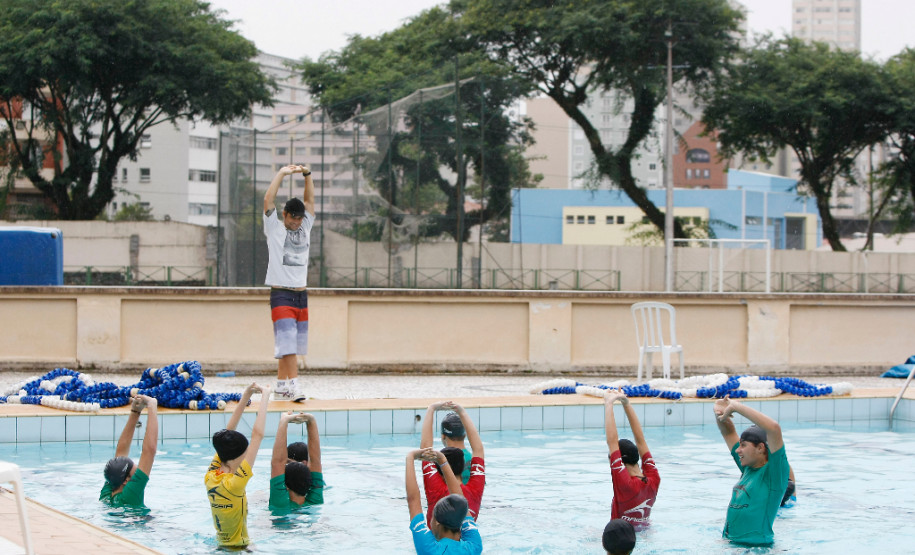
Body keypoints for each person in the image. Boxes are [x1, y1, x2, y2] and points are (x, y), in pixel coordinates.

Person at [263, 163, 316, 402]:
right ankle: (294, 386)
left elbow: (311, 201)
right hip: (281, 294)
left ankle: (282, 386)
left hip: (300, 295)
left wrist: (307, 175)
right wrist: (283, 173)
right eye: (293, 218)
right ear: (284, 215)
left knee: (292, 344)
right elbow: (268, 200)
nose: (296, 222)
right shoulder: (274, 227)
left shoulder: (306, 226)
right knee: (288, 344)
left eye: (299, 219)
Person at [714, 395, 789, 546]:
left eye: (743, 445)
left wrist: (737, 407)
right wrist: (719, 412)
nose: (738, 450)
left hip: (757, 549)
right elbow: (728, 432)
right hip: (733, 546)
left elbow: (774, 429)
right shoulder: (748, 468)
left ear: (760, 448)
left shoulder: (773, 475)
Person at [205, 383, 271, 548]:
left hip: (220, 545)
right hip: (239, 548)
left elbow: (228, 432)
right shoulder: (235, 483)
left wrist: (246, 396)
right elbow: (258, 435)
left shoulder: (211, 476)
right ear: (240, 456)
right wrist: (265, 396)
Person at [420, 402, 485, 527]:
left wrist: (431, 409)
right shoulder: (474, 491)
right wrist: (462, 412)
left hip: (434, 545)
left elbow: (425, 449)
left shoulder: (435, 490)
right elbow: (478, 450)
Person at [406, 447, 482, 554]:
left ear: (437, 522)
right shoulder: (474, 546)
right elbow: (460, 501)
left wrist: (410, 457)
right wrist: (442, 460)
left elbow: (413, 500)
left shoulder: (429, 549)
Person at [603, 390, 660, 529]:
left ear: (620, 461)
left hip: (619, 536)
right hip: (645, 532)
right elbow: (640, 440)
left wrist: (608, 403)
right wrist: (626, 403)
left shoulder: (625, 484)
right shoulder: (654, 479)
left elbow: (612, 441)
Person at [100, 394, 158, 507]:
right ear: (126, 481)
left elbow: (120, 454)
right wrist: (152, 406)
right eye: (133, 468)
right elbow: (150, 451)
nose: (137, 466)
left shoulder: (107, 493)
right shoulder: (130, 494)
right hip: (138, 522)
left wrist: (135, 412)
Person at [269, 411, 324, 512]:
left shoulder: (280, 504)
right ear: (310, 482)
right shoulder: (315, 501)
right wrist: (311, 420)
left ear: (285, 485)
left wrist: (283, 421)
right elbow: (315, 461)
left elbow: (278, 462)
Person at [421, 401, 472, 483]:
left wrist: (431, 408)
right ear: (465, 435)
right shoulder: (475, 460)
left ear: (443, 436)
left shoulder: (441, 460)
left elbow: (425, 450)